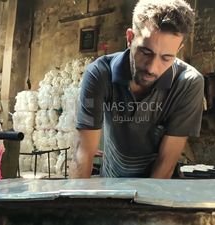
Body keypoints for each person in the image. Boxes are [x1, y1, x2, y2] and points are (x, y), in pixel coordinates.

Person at [71, 0, 204, 178]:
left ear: (178, 50)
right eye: (146, 52)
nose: (152, 68)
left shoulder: (188, 83)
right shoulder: (100, 74)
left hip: (158, 189)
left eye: (166, 57)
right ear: (130, 38)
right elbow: (84, 153)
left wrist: (144, 205)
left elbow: (166, 163)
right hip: (111, 183)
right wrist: (75, 204)